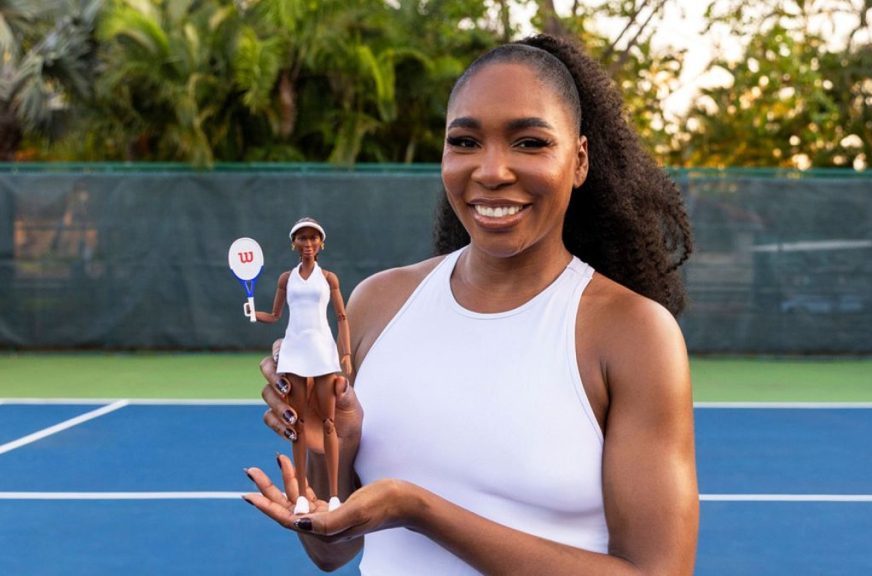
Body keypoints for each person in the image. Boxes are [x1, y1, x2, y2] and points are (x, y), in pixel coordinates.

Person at [243, 34, 699, 574]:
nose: (491, 171)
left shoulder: (632, 332)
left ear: (579, 161)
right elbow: (331, 548)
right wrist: (327, 444)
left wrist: (420, 510)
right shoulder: (378, 304)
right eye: (464, 141)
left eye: (529, 142)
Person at [252, 217, 353, 513]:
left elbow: (342, 317)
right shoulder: (286, 279)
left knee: (328, 422)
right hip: (294, 351)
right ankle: (301, 497)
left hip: (322, 351)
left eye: (313, 238)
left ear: (321, 243)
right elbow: (275, 315)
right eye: (302, 238)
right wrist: (254, 313)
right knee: (297, 423)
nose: (308, 243)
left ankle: (334, 496)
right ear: (293, 243)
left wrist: (346, 353)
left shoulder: (329, 278)